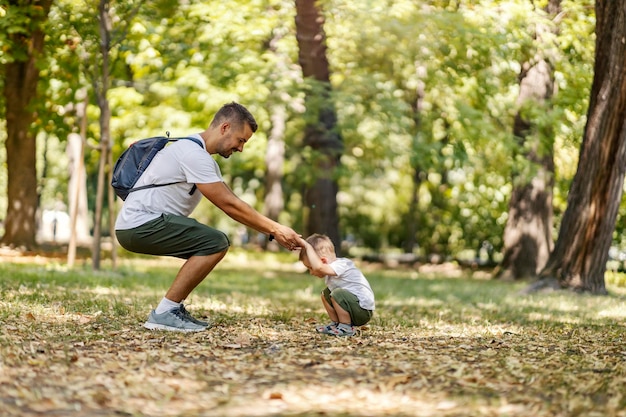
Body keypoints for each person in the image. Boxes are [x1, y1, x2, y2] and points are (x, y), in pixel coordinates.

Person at [115, 102, 302, 332]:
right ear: (224, 128)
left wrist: (270, 229)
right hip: (139, 225)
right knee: (214, 242)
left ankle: (172, 308)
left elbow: (234, 203)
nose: (241, 148)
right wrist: (275, 229)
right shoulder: (192, 154)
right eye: (241, 140)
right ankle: (165, 312)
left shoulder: (201, 158)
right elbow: (229, 205)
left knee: (210, 244)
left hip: (139, 225)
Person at [297, 234, 375, 336]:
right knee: (325, 293)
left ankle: (346, 327)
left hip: (362, 311)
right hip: (352, 307)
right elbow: (319, 268)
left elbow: (319, 268)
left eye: (311, 268)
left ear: (323, 261)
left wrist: (307, 246)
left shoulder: (341, 265)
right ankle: (336, 324)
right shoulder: (332, 270)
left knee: (337, 294)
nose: (311, 272)